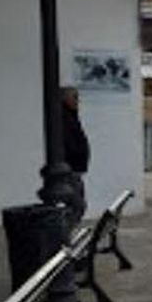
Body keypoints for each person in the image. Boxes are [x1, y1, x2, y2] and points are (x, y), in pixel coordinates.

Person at [61, 87, 90, 226]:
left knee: (77, 205)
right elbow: (68, 142)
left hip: (75, 169)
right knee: (77, 206)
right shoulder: (64, 117)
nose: (78, 101)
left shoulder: (71, 116)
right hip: (70, 169)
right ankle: (66, 236)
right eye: (74, 97)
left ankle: (67, 234)